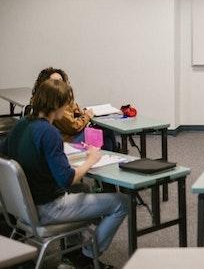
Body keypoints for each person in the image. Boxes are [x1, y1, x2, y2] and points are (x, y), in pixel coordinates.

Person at [1, 78, 128, 269]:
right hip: (47, 208)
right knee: (121, 202)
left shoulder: (21, 125)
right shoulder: (49, 132)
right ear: (58, 105)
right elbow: (67, 179)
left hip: (19, 208)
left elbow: (7, 153)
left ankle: (73, 251)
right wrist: (91, 160)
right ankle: (87, 258)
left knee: (83, 188)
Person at [31, 67, 116, 152]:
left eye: (61, 81)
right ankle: (114, 156)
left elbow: (71, 107)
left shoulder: (43, 99)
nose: (59, 84)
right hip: (67, 140)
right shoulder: (55, 104)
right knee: (105, 131)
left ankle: (109, 157)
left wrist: (79, 112)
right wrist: (87, 116)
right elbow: (73, 127)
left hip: (66, 136)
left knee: (106, 140)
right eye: (55, 82)